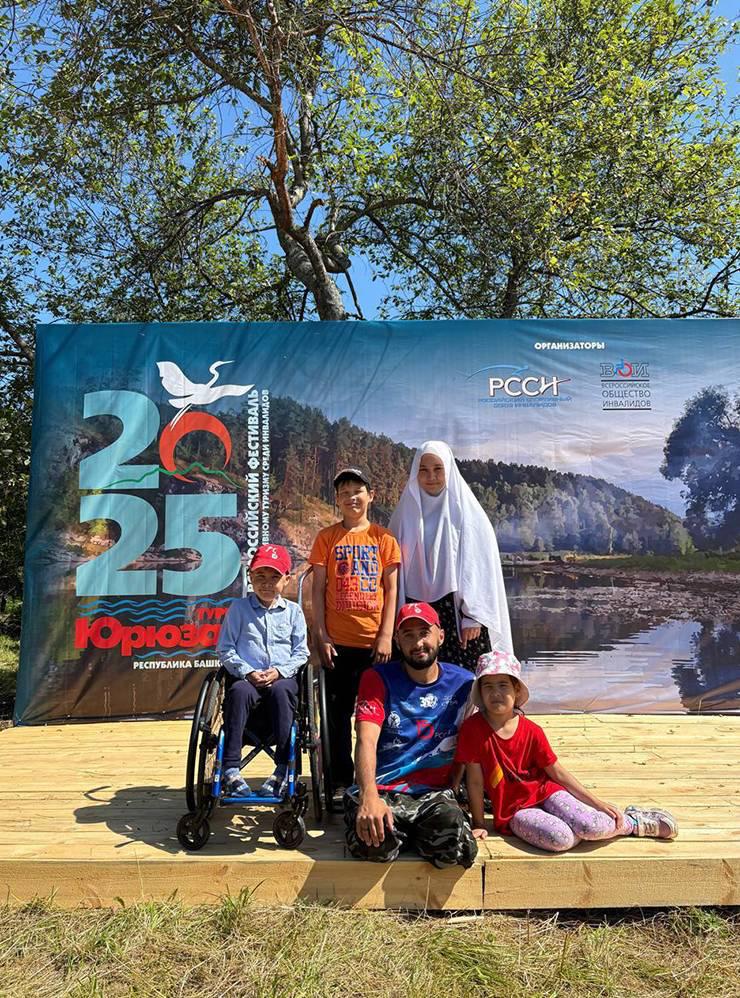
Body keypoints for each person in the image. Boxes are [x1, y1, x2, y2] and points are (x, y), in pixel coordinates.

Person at [455, 650, 679, 851]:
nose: (495, 693)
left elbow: (557, 773)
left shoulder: (532, 731)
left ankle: (632, 822)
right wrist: (479, 824)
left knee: (590, 826)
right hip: (514, 811)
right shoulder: (472, 730)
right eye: (488, 686)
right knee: (560, 839)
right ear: (480, 692)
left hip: (546, 792)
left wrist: (597, 803)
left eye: (503, 685)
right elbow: (475, 781)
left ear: (516, 689)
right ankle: (588, 830)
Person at [344, 601, 477, 868]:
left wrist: (471, 806)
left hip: (434, 794)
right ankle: (405, 834)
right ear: (397, 641)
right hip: (385, 789)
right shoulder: (376, 678)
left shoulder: (465, 683)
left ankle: (413, 835)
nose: (418, 643)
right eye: (408, 635)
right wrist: (369, 796)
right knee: (374, 845)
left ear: (441, 635)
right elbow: (366, 740)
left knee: (453, 846)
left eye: (424, 633)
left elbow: (475, 741)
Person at [310, 467, 401, 792]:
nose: (352, 498)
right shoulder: (327, 538)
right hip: (338, 645)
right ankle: (339, 781)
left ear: (370, 496)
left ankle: (379, 778)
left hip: (376, 647)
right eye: (345, 493)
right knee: (336, 717)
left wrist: (386, 635)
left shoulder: (384, 539)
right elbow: (317, 590)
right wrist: (321, 635)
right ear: (337, 499)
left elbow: (392, 590)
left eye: (357, 491)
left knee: (380, 715)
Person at [389, 440, 512, 672]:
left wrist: (473, 615)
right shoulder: (404, 514)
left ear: (448, 469)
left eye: (438, 469)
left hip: (457, 613)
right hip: (414, 612)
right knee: (417, 676)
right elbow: (392, 567)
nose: (431, 476)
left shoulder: (467, 512)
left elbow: (479, 566)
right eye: (423, 470)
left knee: (463, 678)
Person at [216, 543, 309, 797]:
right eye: (260, 576)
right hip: (247, 678)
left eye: (274, 577)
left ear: (286, 579)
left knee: (282, 690)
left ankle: (282, 768)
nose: (266, 583)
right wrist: (247, 671)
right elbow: (225, 648)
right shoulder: (238, 609)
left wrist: (279, 671)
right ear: (250, 577)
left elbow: (301, 653)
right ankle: (230, 769)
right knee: (239, 692)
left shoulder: (294, 612)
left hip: (281, 679)